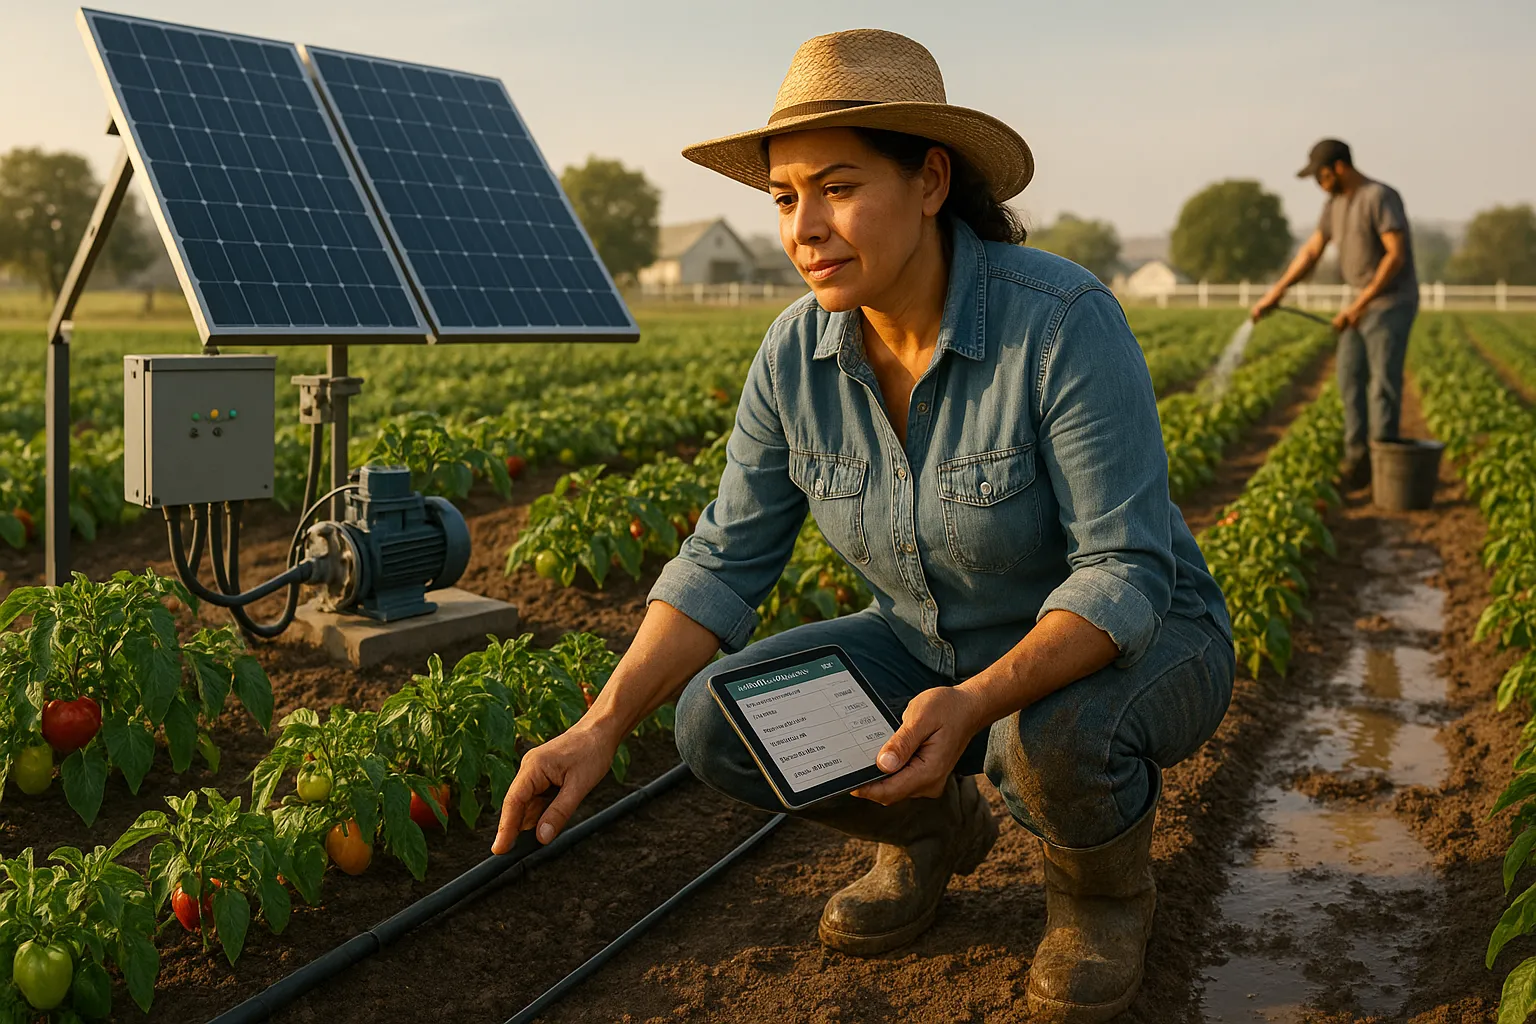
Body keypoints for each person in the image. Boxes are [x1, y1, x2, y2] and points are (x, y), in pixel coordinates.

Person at [493, 29, 1235, 1023]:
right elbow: (725, 557)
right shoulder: (794, 355)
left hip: (1141, 645)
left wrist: (974, 703)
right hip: (929, 643)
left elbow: (1124, 575)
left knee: (1048, 732)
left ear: (930, 180)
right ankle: (930, 829)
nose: (805, 226)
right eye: (785, 196)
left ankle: (1100, 897)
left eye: (837, 186)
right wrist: (597, 728)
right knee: (715, 717)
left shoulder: (1058, 321)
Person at [1251, 138, 1418, 489]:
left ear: (1340, 167)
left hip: (1391, 302)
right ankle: (1358, 462)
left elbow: (1395, 256)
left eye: (1321, 175)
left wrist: (1358, 306)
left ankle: (1385, 470)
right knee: (1348, 377)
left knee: (1382, 385)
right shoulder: (1334, 205)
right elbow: (1311, 251)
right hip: (1361, 301)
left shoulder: (1379, 197)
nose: (1318, 183)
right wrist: (1276, 292)